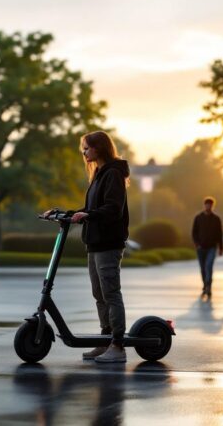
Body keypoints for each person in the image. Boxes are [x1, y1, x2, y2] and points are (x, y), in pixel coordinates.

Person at [57, 130, 130, 363]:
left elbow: (112, 209)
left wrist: (86, 216)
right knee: (99, 294)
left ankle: (118, 346)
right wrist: (64, 213)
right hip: (95, 242)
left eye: (87, 148)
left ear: (99, 148)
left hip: (108, 243)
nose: (84, 152)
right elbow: (89, 208)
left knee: (110, 293)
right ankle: (105, 339)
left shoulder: (113, 174)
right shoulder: (99, 174)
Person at [191, 197, 223, 299]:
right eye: (206, 204)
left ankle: (209, 286)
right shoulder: (198, 217)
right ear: (204, 205)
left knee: (208, 266)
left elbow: (219, 234)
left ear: (212, 206)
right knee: (203, 268)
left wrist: (221, 247)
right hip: (201, 247)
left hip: (212, 247)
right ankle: (205, 285)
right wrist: (196, 243)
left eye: (210, 204)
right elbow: (194, 232)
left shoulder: (216, 218)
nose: (208, 206)